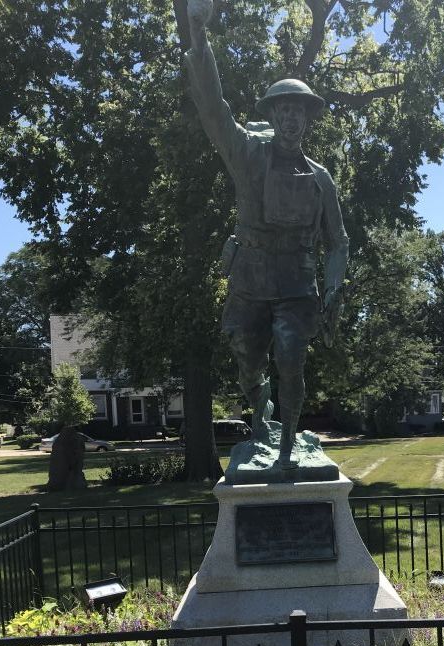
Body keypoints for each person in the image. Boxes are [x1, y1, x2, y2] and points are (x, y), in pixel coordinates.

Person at [185, 0, 349, 470]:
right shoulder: (246, 154)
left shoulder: (321, 179)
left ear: (308, 118)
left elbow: (337, 241)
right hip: (250, 278)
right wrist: (199, 36)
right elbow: (214, 108)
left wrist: (334, 285)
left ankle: (284, 453)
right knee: (245, 355)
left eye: (300, 111)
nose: (292, 118)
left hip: (297, 283)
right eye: (284, 110)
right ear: (274, 116)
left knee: (292, 356)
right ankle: (263, 415)